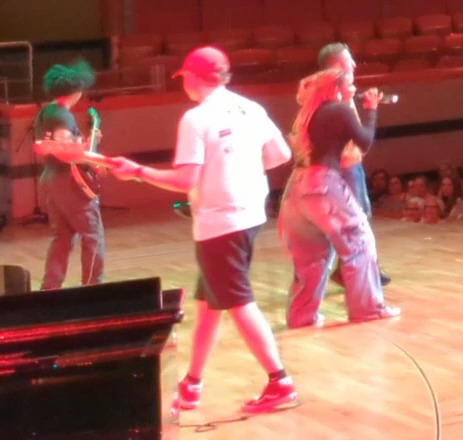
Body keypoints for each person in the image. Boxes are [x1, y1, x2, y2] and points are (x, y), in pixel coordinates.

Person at [106, 47, 299, 417]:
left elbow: (185, 179)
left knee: (238, 301)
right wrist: (240, 170)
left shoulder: (196, 119)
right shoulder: (250, 108)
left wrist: (137, 172)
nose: (184, 85)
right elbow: (280, 155)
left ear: (194, 78)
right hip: (249, 215)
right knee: (209, 304)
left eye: (185, 78)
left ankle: (280, 381)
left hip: (220, 223)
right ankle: (192, 385)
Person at [279, 49, 397, 328]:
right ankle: (368, 309)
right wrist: (370, 110)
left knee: (311, 256)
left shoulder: (308, 114)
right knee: (359, 243)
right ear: (336, 87)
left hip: (296, 190)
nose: (352, 89)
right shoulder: (341, 109)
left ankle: (301, 317)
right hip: (323, 185)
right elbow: (365, 142)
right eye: (348, 85)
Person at [31, 62, 105, 290]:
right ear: (76, 90)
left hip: (51, 179)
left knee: (62, 238)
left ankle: (50, 290)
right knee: (93, 236)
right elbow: (64, 149)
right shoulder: (63, 115)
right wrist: (91, 158)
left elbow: (57, 144)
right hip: (69, 182)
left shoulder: (46, 111)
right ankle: (92, 289)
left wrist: (83, 142)